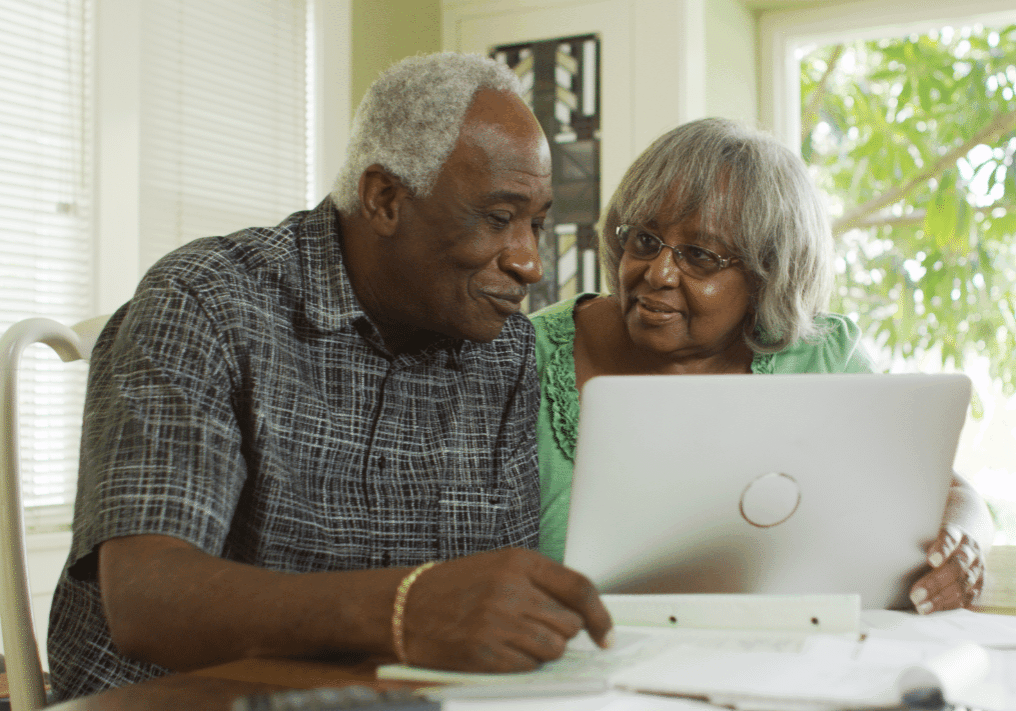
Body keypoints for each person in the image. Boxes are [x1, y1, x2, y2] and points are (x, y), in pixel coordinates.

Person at [47, 53, 612, 701]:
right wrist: (407, 609)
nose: (530, 263)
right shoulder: (203, 302)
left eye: (536, 224)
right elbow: (149, 599)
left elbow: (481, 607)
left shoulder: (505, 347)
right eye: (497, 218)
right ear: (385, 199)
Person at [531, 117, 994, 614]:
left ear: (766, 276)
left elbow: (952, 493)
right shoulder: (526, 355)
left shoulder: (821, 355)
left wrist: (962, 545)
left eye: (699, 256)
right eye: (644, 240)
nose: (657, 273)